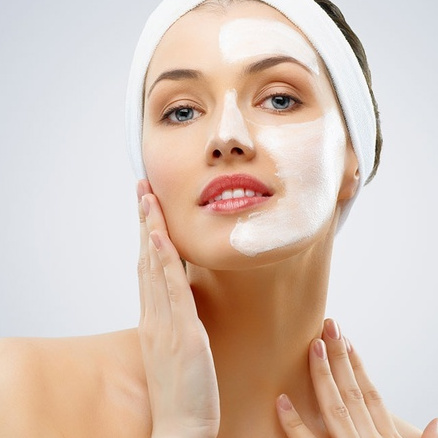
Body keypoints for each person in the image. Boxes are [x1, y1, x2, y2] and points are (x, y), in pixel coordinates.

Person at [0, 0, 436, 436]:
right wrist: (182, 428)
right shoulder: (18, 391)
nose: (226, 136)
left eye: (279, 100)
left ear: (354, 156)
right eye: (182, 111)